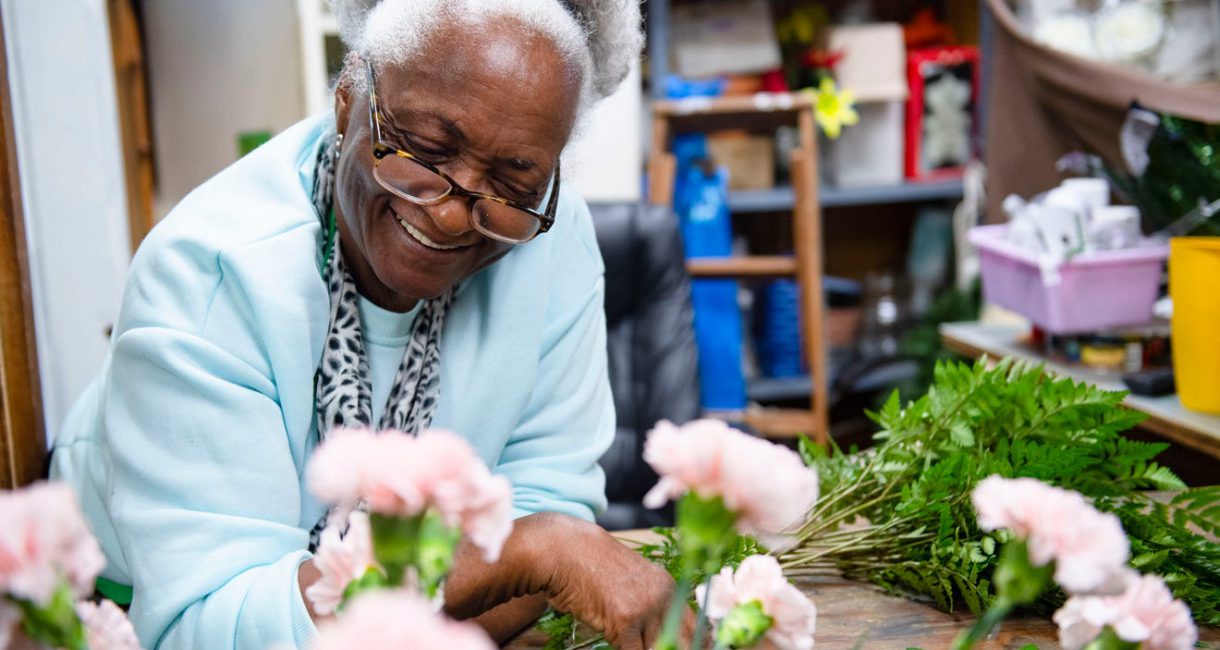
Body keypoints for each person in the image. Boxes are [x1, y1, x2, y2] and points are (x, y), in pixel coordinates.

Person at [49, 1, 684, 647]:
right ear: (349, 99)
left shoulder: (553, 237)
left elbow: (550, 500)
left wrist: (474, 591)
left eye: (513, 183)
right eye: (428, 149)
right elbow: (209, 624)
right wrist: (522, 556)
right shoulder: (214, 273)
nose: (453, 216)